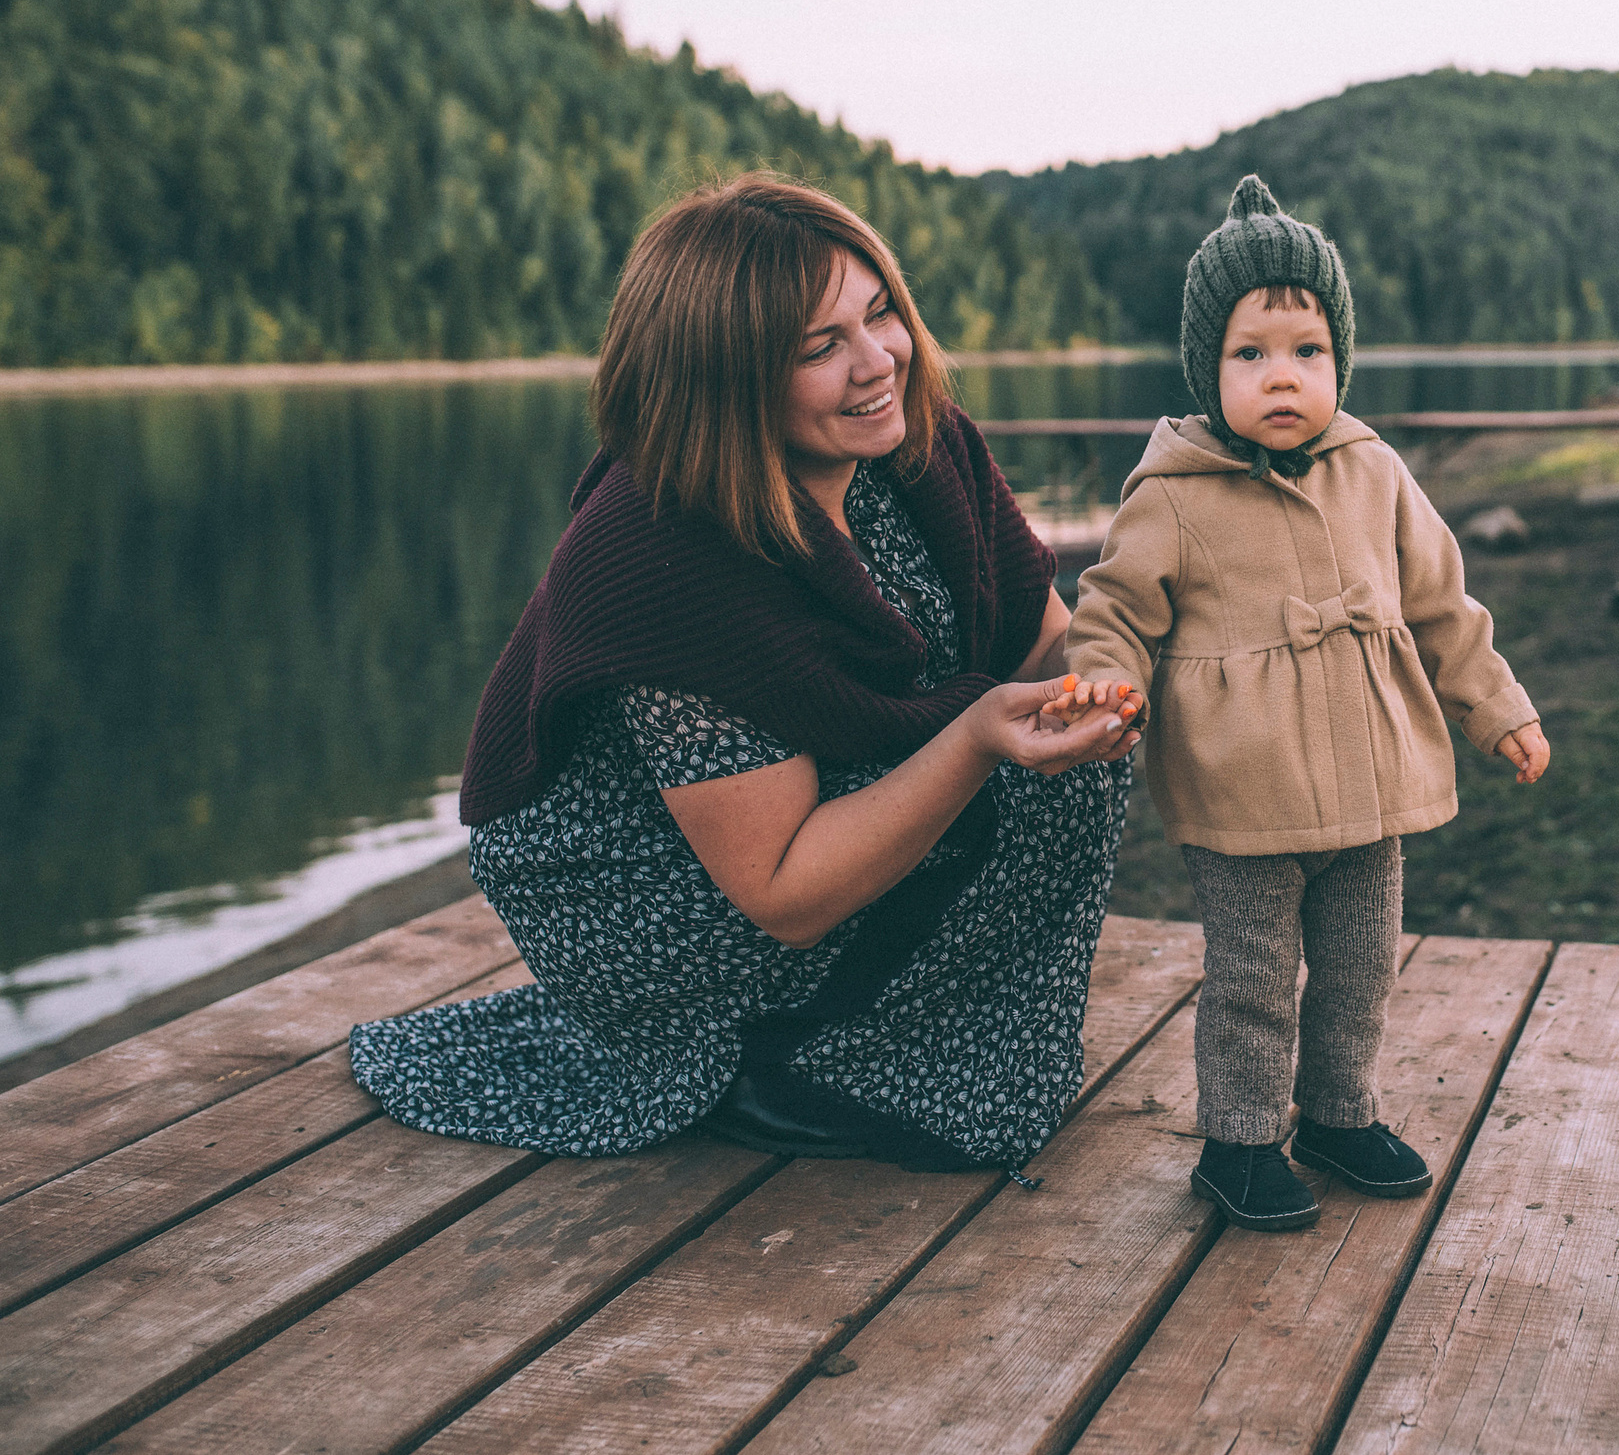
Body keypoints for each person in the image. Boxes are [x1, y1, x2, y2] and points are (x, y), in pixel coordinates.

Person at [349, 174, 1139, 1178]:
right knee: (1001, 781)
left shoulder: (921, 452)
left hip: (801, 822)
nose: (877, 362)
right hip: (641, 895)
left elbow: (1042, 653)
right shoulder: (662, 559)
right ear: (724, 376)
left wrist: (1142, 650)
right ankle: (770, 1064)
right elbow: (783, 890)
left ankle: (878, 1049)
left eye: (879, 311)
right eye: (820, 347)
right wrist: (979, 733)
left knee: (1069, 772)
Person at [1055, 175, 1549, 1230]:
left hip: (1371, 782)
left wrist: (1498, 708)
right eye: (1250, 354)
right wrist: (1107, 679)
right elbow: (1115, 606)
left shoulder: (1372, 470)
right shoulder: (1173, 489)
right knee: (1251, 974)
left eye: (1307, 351)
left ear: (1339, 360)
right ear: (1206, 366)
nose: (1283, 375)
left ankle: (1337, 1110)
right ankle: (1238, 1140)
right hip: (1245, 792)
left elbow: (1441, 603)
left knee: (1362, 967)